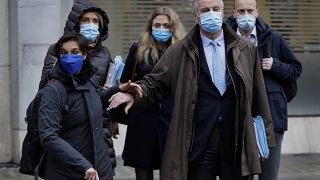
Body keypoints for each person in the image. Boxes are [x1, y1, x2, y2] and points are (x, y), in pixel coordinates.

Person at [108, 0, 276, 180]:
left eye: (215, 9)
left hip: (235, 137)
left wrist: (263, 139)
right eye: (205, 10)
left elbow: (258, 96)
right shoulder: (179, 50)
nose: (211, 13)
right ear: (196, 16)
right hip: (200, 139)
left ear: (222, 12)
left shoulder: (245, 48)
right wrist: (133, 93)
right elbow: (154, 82)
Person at [37, 32, 140, 180]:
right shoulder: (52, 91)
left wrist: (119, 89)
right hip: (68, 172)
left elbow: (95, 100)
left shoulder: (87, 80)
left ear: (84, 55)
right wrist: (83, 165)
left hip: (99, 168)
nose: (68, 57)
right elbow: (48, 137)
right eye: (64, 53)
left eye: (74, 52)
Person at [226, 0, 302, 180]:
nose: (246, 15)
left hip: (270, 118)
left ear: (257, 12)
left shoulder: (273, 39)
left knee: (268, 174)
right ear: (234, 13)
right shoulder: (225, 39)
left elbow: (296, 69)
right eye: (241, 11)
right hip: (237, 119)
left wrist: (275, 65)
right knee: (240, 174)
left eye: (250, 10)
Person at [38, 0, 117, 170]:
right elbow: (45, 88)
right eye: (85, 20)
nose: (91, 25)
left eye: (95, 21)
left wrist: (112, 113)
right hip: (70, 126)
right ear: (76, 23)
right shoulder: (59, 50)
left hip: (98, 127)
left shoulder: (105, 53)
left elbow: (103, 93)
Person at [119, 6, 186, 180]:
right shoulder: (138, 49)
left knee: (171, 172)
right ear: (150, 27)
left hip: (171, 121)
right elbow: (125, 83)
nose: (161, 29)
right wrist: (113, 117)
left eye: (166, 25)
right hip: (142, 120)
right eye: (157, 25)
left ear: (174, 28)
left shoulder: (183, 51)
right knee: (142, 171)